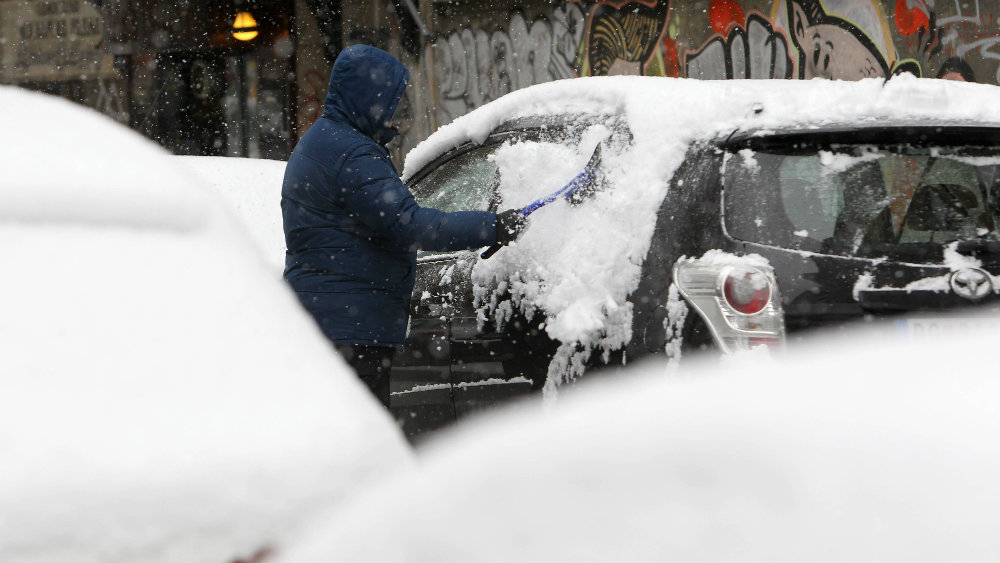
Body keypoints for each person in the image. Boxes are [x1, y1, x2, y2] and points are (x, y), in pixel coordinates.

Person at [281, 44, 524, 408]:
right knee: (363, 452)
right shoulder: (353, 155)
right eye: (389, 99)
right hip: (350, 331)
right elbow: (411, 225)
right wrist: (490, 227)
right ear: (367, 98)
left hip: (330, 324)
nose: (396, 110)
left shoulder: (323, 140)